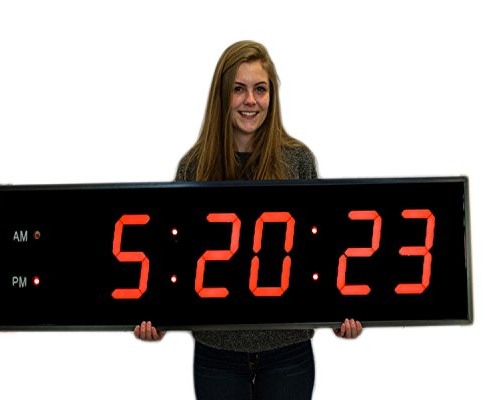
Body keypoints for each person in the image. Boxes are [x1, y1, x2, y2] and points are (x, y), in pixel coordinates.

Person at [134, 40, 363, 400]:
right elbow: (173, 260)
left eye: (260, 89)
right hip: (216, 354)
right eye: (238, 89)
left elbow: (319, 252)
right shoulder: (193, 167)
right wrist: (160, 319)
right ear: (222, 95)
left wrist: (338, 314)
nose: (250, 100)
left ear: (272, 95)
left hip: (288, 351)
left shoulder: (298, 161)